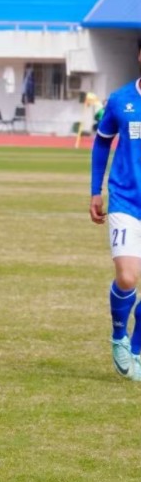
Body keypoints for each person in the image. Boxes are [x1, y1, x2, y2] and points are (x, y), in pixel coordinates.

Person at [91, 39, 141, 381]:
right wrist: (95, 190)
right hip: (125, 198)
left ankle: (136, 349)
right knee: (127, 277)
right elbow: (101, 142)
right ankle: (119, 335)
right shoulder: (121, 99)